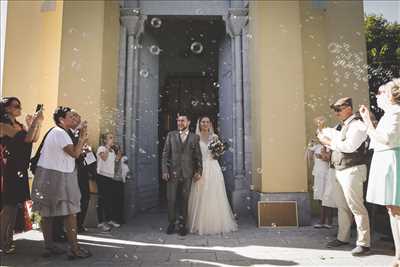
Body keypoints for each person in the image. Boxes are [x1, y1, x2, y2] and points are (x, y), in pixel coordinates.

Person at [31, 106, 91, 259]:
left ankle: (49, 246)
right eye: (71, 116)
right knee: (71, 212)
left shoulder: (56, 132)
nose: (74, 119)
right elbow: (75, 154)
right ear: (61, 120)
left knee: (47, 212)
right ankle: (74, 249)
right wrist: (83, 137)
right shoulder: (60, 133)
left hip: (47, 174)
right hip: (59, 176)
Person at [318, 97, 371, 256]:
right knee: (342, 206)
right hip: (341, 169)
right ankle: (343, 237)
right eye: (335, 110)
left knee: (357, 207)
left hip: (353, 170)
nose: (336, 113)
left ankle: (364, 243)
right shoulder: (345, 126)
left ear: (349, 108)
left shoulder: (358, 125)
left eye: (339, 109)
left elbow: (349, 147)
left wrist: (328, 141)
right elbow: (339, 142)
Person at [359, 79, 400, 267]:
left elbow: (385, 139)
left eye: (382, 92)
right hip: (386, 160)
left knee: (396, 210)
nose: (378, 95)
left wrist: (368, 122)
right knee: (393, 210)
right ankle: (398, 256)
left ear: (393, 95)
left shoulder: (396, 113)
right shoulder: (389, 114)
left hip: (393, 160)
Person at [0, 97, 43, 254]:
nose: (19, 108)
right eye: (16, 105)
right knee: (8, 206)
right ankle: (4, 241)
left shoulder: (18, 125)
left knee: (14, 206)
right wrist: (34, 123)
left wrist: (37, 123)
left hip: (19, 168)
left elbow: (33, 138)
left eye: (20, 105)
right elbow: (24, 137)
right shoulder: (3, 126)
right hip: (8, 169)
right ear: (6, 109)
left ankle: (8, 239)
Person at [187, 116, 237, 235]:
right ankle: (199, 223)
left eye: (207, 122)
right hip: (201, 168)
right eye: (203, 122)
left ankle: (215, 223)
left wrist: (217, 152)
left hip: (213, 167)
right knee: (201, 194)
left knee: (214, 194)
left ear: (210, 124)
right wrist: (195, 170)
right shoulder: (195, 138)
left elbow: (217, 154)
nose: (205, 124)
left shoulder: (214, 137)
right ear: (199, 124)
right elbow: (193, 156)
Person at [161, 113, 202, 236]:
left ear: (188, 122)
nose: (180, 123)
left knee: (185, 199)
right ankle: (172, 223)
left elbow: (198, 156)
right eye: (178, 121)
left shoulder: (195, 138)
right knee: (171, 198)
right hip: (172, 172)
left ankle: (183, 224)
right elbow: (165, 154)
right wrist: (164, 170)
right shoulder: (171, 135)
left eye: (182, 121)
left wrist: (199, 171)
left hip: (187, 172)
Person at [307, 116, 334, 229]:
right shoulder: (317, 146)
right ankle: (322, 221)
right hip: (318, 174)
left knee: (327, 198)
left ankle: (328, 221)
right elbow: (308, 158)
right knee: (319, 197)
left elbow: (330, 159)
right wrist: (309, 147)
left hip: (326, 174)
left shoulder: (328, 146)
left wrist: (322, 157)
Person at [96, 132, 120, 231]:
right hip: (102, 176)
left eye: (113, 137)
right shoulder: (101, 149)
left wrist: (118, 151)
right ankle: (101, 222)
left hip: (110, 176)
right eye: (110, 138)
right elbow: (104, 158)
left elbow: (117, 160)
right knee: (102, 200)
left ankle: (110, 219)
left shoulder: (112, 151)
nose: (112, 139)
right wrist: (107, 147)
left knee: (110, 199)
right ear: (105, 140)